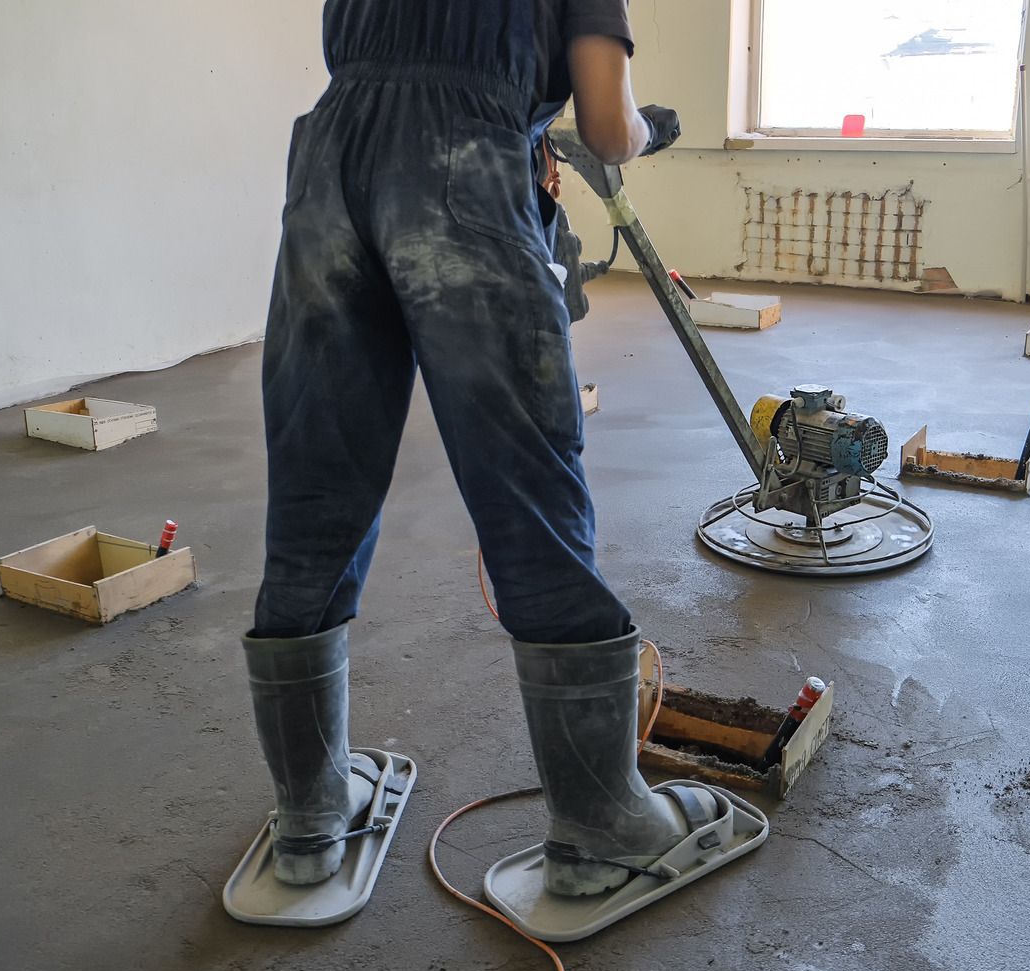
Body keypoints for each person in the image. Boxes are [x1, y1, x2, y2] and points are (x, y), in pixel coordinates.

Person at [241, 0, 720, 903]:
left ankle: (310, 814)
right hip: (461, 169)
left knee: (315, 479)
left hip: (328, 168)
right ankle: (601, 819)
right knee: (529, 489)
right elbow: (606, 127)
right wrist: (651, 129)